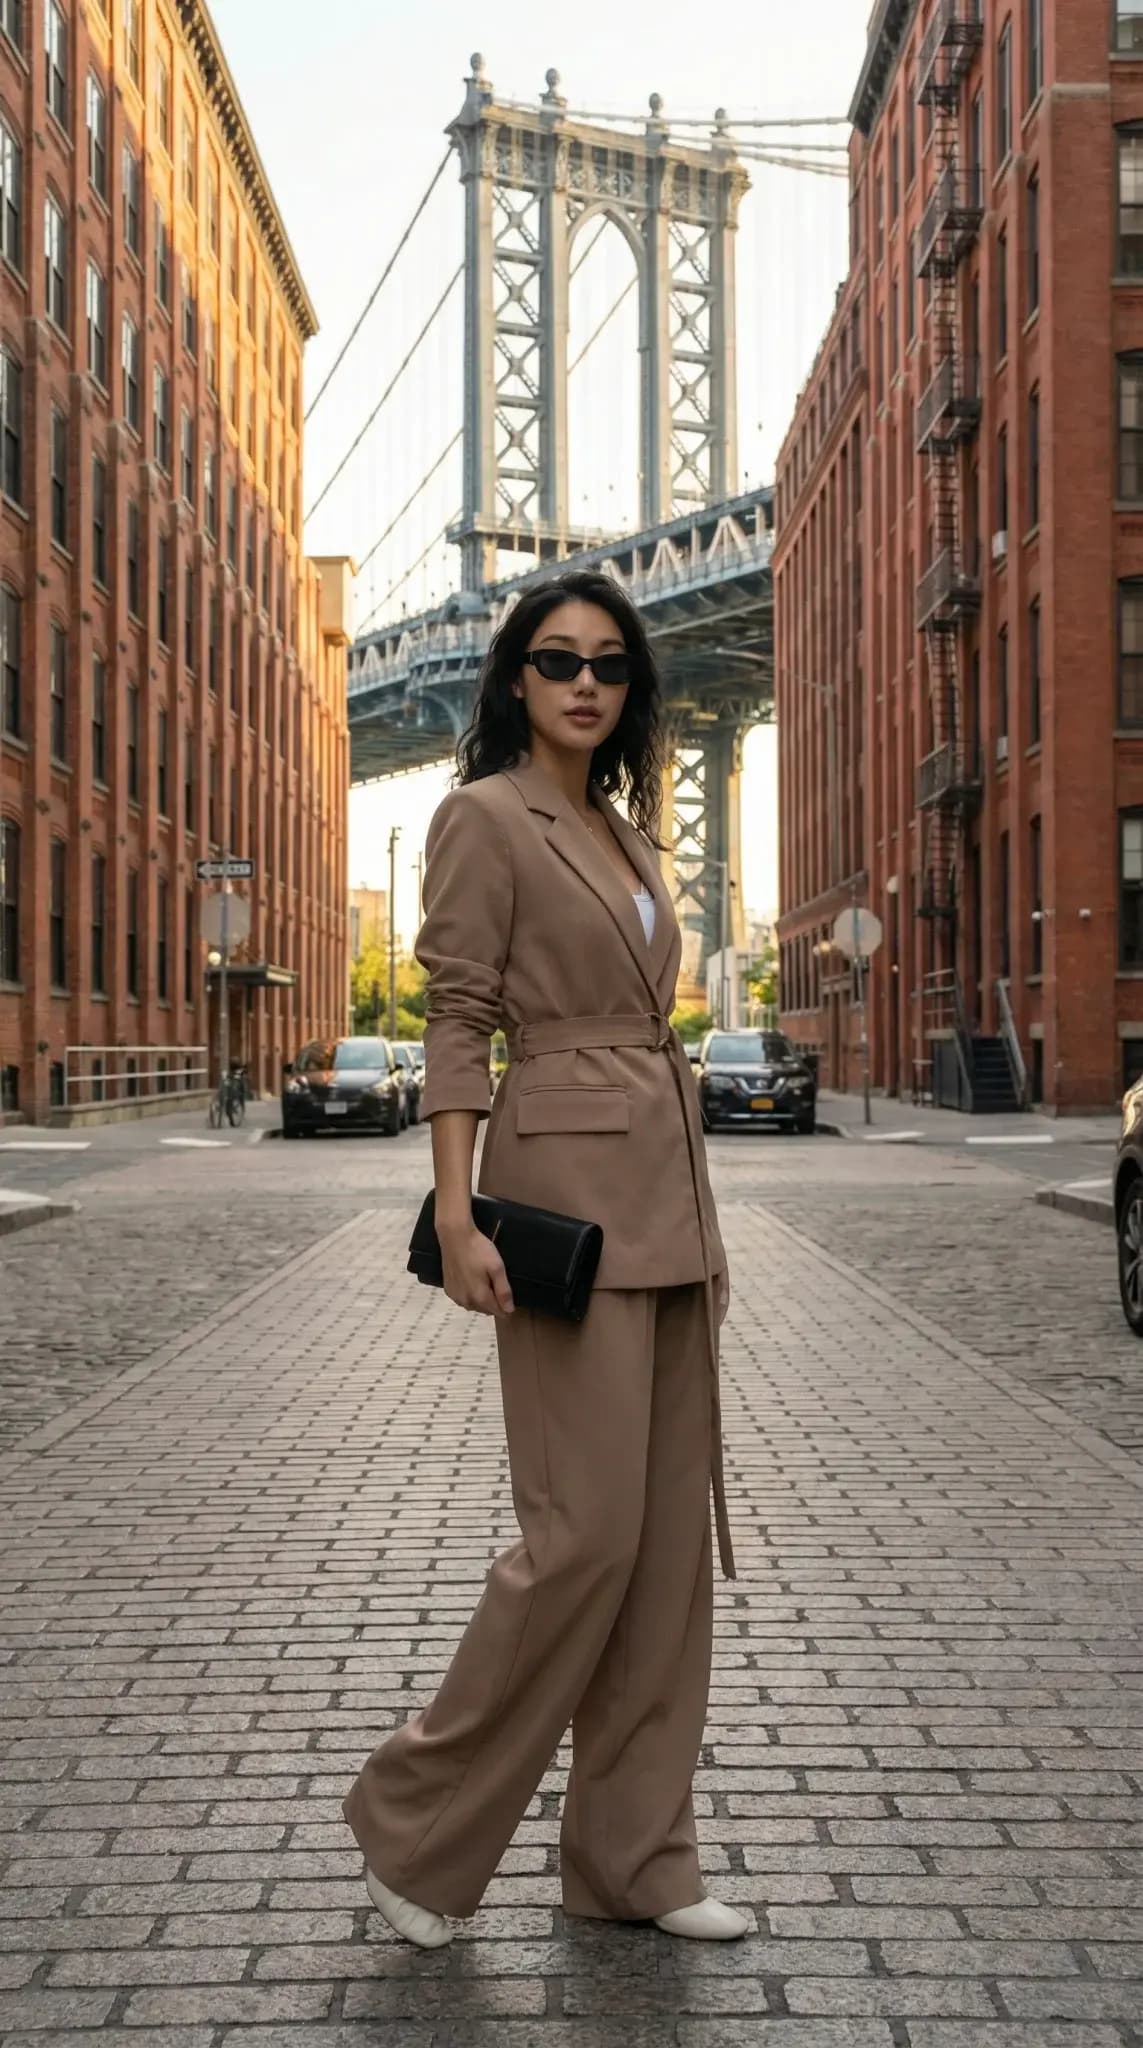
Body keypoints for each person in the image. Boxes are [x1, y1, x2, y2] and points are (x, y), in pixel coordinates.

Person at [341, 569, 747, 1948]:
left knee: (664, 1558)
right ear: (516, 676)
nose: (586, 682)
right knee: (584, 1539)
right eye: (559, 659)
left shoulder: (629, 836)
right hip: (562, 1205)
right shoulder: (482, 816)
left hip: (672, 1204)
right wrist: (456, 1212)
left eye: (611, 664)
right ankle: (414, 1824)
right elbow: (459, 1020)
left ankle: (635, 1861)